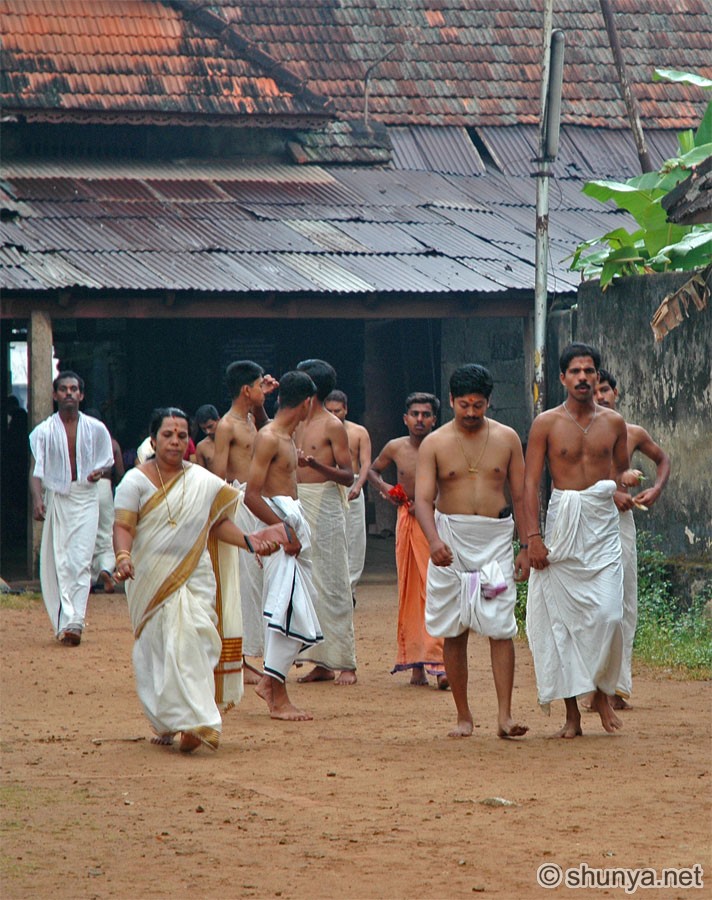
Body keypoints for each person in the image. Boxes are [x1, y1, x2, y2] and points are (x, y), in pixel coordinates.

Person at [112, 407, 287, 753]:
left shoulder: (202, 482)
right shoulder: (134, 481)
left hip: (195, 577)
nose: (175, 442)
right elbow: (123, 526)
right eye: (167, 435)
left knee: (194, 642)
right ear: (152, 439)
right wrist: (123, 557)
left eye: (181, 435)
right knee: (156, 653)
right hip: (150, 579)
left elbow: (218, 525)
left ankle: (197, 721)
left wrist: (251, 541)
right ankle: (168, 720)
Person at [524, 343, 639, 739]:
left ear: (597, 377)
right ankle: (572, 713)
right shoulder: (546, 424)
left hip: (603, 524)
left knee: (609, 615)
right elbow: (528, 486)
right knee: (562, 622)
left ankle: (602, 692)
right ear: (562, 378)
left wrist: (626, 483)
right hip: (563, 521)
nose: (584, 378)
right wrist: (532, 539)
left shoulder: (614, 423)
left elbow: (621, 471)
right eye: (575, 371)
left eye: (589, 371)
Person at [415, 367, 530, 738]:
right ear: (450, 401)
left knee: (500, 624)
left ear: (488, 402)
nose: (470, 412)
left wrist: (527, 545)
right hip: (450, 543)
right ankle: (463, 715)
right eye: (463, 405)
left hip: (494, 545)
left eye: (478, 405)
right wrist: (434, 542)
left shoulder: (507, 438)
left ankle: (505, 716)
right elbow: (422, 499)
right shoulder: (434, 443)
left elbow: (522, 494)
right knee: (455, 627)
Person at [245, 371, 323, 720]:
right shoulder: (271, 438)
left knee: (295, 607)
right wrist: (280, 531)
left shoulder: (284, 436)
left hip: (289, 523)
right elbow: (251, 495)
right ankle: (276, 694)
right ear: (307, 403)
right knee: (286, 610)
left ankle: (272, 683)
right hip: (278, 527)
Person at [592, 368, 671, 709]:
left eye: (605, 389)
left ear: (616, 392)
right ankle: (590, 685)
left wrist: (655, 487)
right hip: (588, 522)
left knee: (624, 602)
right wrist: (607, 495)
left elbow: (662, 459)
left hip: (621, 523)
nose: (600, 396)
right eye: (595, 391)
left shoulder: (633, 432)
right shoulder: (578, 434)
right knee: (592, 604)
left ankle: (615, 687)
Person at [29, 372, 114, 645]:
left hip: (86, 496)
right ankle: (64, 619)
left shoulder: (96, 428)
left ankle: (76, 621)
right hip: (58, 497)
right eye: (63, 389)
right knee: (59, 561)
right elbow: (35, 471)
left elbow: (107, 461)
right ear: (55, 395)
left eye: (73, 389)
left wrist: (98, 472)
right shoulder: (43, 432)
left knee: (80, 559)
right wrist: (38, 499)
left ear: (81, 395)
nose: (69, 393)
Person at [369, 392, 447, 688]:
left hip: (435, 522)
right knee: (410, 589)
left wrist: (432, 503)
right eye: (414, 414)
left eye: (426, 415)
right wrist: (388, 489)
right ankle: (417, 663)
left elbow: (452, 482)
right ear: (405, 418)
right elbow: (373, 471)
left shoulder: (443, 445)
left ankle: (440, 662)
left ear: (434, 420)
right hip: (406, 519)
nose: (420, 419)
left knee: (435, 588)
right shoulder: (395, 447)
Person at [212, 361, 279, 681]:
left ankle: (249, 653)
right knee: (242, 582)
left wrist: (263, 402)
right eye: (258, 385)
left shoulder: (253, 419)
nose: (263, 390)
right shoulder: (227, 426)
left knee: (261, 584)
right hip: (240, 507)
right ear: (245, 390)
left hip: (260, 503)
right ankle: (236, 658)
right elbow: (218, 477)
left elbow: (272, 432)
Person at [294, 359, 356, 685]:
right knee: (307, 584)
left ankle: (346, 662)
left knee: (333, 583)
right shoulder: (293, 421)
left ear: (311, 388)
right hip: (298, 503)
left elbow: (348, 476)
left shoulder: (332, 425)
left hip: (327, 503)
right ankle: (319, 661)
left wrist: (317, 465)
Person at [324, 390, 372, 605]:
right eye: (330, 410)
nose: (334, 414)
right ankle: (332, 589)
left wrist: (359, 486)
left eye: (338, 410)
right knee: (329, 536)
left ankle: (350, 588)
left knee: (355, 539)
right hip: (327, 486)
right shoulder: (320, 431)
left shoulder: (359, 431)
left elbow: (365, 463)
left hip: (352, 486)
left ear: (346, 409)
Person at [85, 408, 125, 595]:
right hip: (105, 488)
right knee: (106, 532)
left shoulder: (79, 441)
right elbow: (120, 473)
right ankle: (106, 569)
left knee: (86, 532)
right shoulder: (112, 442)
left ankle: (89, 579)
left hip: (84, 488)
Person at [194, 404, 220, 472]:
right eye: (203, 429)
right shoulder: (201, 447)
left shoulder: (233, 438)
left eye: (210, 426)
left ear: (218, 420)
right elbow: (202, 475)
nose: (207, 432)